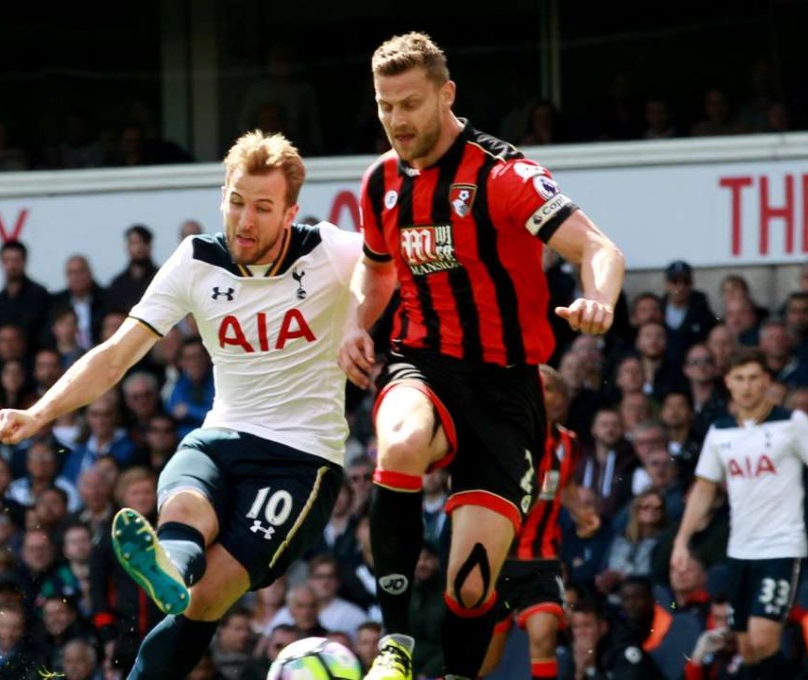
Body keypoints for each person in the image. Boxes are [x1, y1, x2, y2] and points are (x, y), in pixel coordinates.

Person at [0, 130, 361, 679]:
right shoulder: (196, 261)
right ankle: (168, 566)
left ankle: (177, 577)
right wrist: (39, 412)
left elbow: (386, 269)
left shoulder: (329, 250)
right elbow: (116, 355)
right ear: (222, 197)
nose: (245, 221)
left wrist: (358, 321)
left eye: (263, 208)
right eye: (236, 203)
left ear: (290, 211)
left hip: (299, 461)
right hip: (220, 438)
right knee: (184, 509)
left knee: (205, 601)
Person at [338, 32, 625, 680]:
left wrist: (598, 300)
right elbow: (378, 272)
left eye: (409, 104)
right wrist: (358, 325)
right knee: (402, 441)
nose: (397, 121)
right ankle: (395, 644)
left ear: (447, 94)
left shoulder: (504, 174)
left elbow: (601, 249)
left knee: (469, 587)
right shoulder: (381, 181)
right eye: (385, 106)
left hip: (505, 390)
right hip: (424, 362)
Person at [672, 347, 808, 679]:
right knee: (747, 648)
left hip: (781, 545)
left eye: (753, 378)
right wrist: (681, 541)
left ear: (766, 381)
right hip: (740, 550)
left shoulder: (792, 424)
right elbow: (704, 488)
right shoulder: (720, 432)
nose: (747, 386)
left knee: (763, 639)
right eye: (739, 379)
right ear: (728, 383)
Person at [479, 365, 599, 680]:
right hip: (498, 562)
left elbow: (565, 484)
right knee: (483, 661)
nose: (539, 394)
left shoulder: (568, 444)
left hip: (542, 561)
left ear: (561, 399)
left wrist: (581, 514)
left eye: (547, 389)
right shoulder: (501, 438)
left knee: (544, 635)